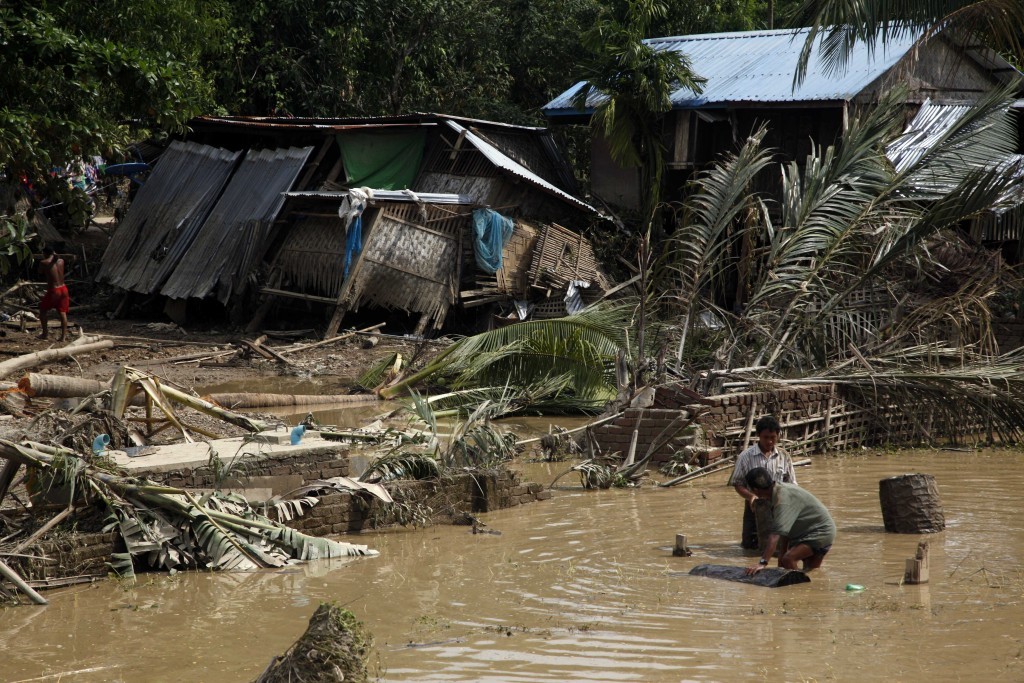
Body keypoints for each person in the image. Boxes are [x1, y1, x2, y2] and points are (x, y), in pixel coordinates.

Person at [743, 467, 835, 574]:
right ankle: (804, 588)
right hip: (820, 531)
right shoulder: (777, 490)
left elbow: (774, 537)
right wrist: (780, 558)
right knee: (811, 572)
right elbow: (785, 531)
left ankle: (797, 587)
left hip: (819, 533)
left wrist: (762, 563)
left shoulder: (781, 500)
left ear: (755, 490)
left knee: (789, 559)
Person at [729, 415, 796, 549]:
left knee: (779, 544)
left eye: (773, 437)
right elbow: (737, 483)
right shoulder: (746, 457)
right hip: (754, 506)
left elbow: (792, 484)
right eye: (766, 437)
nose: (770, 441)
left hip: (778, 505)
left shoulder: (784, 456)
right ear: (758, 435)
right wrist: (750, 496)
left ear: (778, 436)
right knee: (749, 546)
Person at [37, 246, 70, 341]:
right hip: (64, 288)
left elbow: (40, 272)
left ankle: (45, 334)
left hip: (54, 290)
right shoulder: (61, 261)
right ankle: (63, 337)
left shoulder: (44, 262)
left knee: (43, 311)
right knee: (62, 313)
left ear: (45, 253)